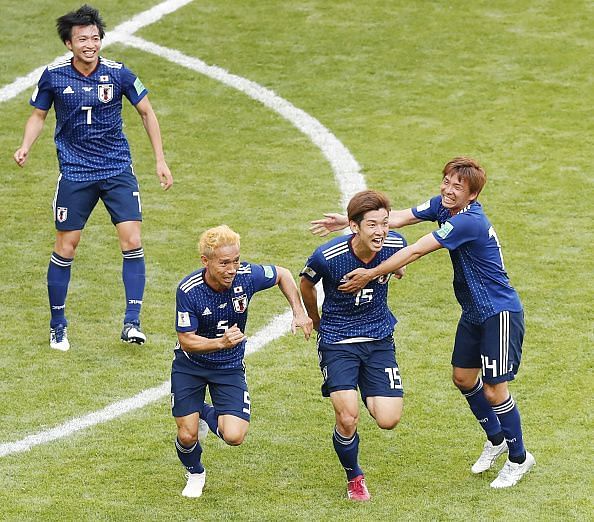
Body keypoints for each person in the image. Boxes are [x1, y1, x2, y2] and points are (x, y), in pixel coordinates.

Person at [311, 157, 535, 489]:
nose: (448, 189)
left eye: (457, 187)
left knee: (494, 389)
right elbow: (400, 218)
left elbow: (416, 250)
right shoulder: (446, 208)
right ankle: (496, 439)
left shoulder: (468, 221)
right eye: (446, 182)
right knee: (462, 378)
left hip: (498, 313)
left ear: (472, 196)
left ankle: (519, 458)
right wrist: (350, 222)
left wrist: (371, 274)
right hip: (473, 312)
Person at [13, 4, 173, 351]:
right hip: (75, 172)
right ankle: (58, 324)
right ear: (69, 44)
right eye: (82, 39)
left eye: (95, 38)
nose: (90, 44)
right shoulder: (53, 76)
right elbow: (38, 115)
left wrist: (160, 160)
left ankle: (132, 321)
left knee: (132, 241)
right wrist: (26, 145)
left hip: (117, 169)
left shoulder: (119, 74)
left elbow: (147, 112)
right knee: (66, 247)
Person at [171, 225, 313, 498]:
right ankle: (196, 472)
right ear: (206, 261)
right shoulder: (189, 291)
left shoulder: (246, 276)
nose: (232, 268)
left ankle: (200, 411)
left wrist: (298, 312)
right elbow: (187, 339)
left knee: (234, 435)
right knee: (187, 435)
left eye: (235, 260)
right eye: (224, 263)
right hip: (191, 366)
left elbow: (282, 274)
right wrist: (219, 343)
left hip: (228, 367)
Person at [300, 190, 407, 501]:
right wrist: (315, 319)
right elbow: (306, 283)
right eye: (372, 225)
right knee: (348, 417)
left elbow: (402, 262)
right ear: (354, 226)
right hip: (338, 341)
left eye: (385, 223)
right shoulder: (327, 256)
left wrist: (395, 269)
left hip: (379, 339)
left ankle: (358, 382)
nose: (381, 232)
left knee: (388, 419)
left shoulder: (395, 244)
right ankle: (354, 477)